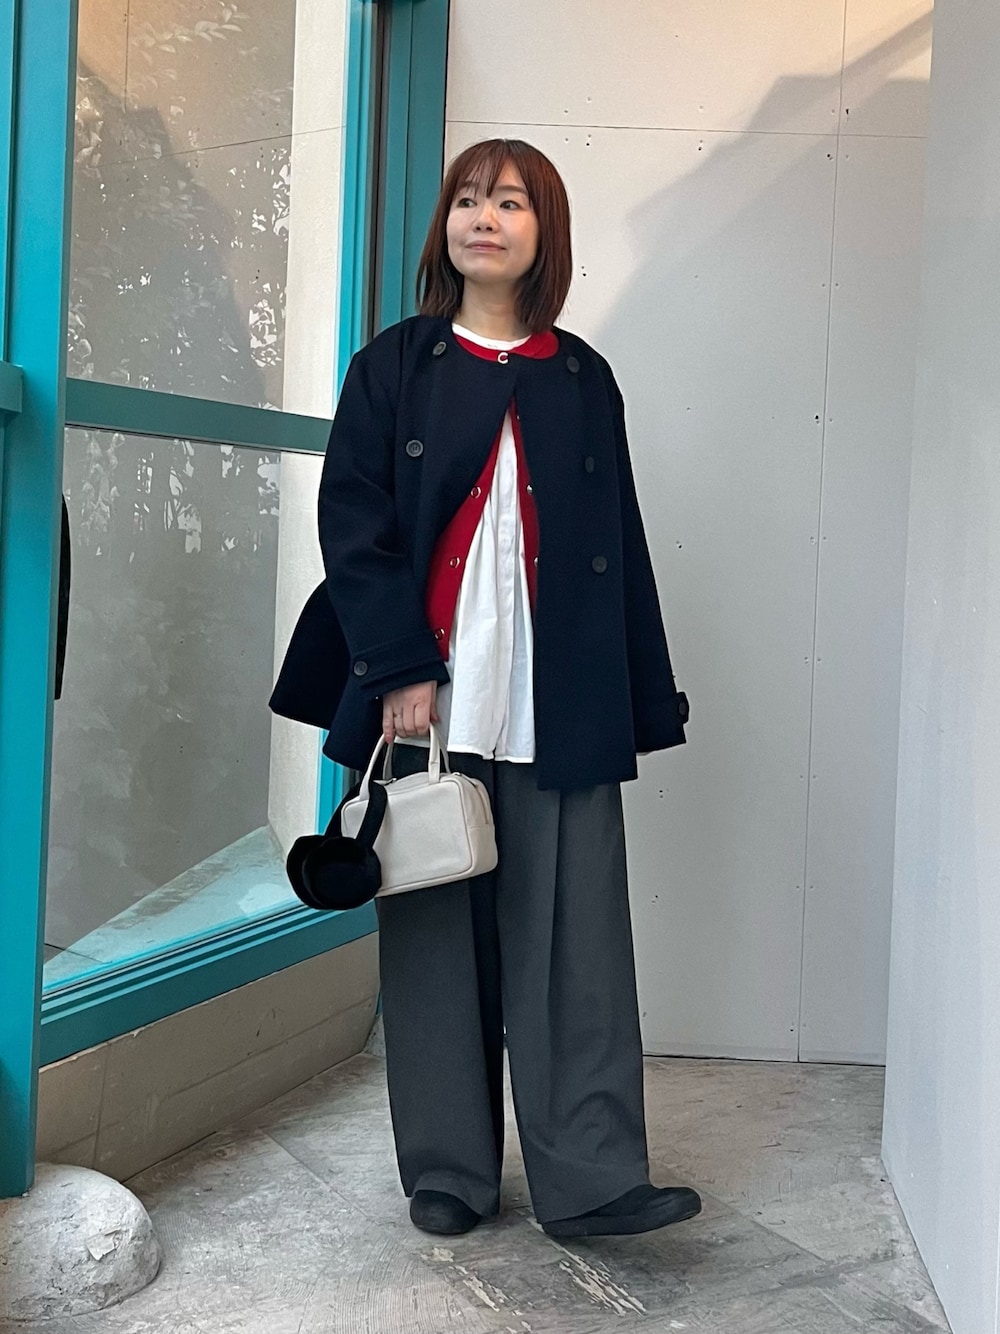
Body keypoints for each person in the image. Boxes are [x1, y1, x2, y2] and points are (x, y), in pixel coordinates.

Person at [270, 138, 699, 1240]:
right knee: (433, 941)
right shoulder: (395, 365)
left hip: (558, 705)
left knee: (577, 950)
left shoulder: (583, 378)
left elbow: (617, 546)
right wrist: (399, 667)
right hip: (430, 703)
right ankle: (449, 1173)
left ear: (544, 230)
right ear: (445, 226)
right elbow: (353, 524)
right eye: (467, 198)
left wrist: (640, 697)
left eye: (509, 201)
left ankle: (593, 1179)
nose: (484, 217)